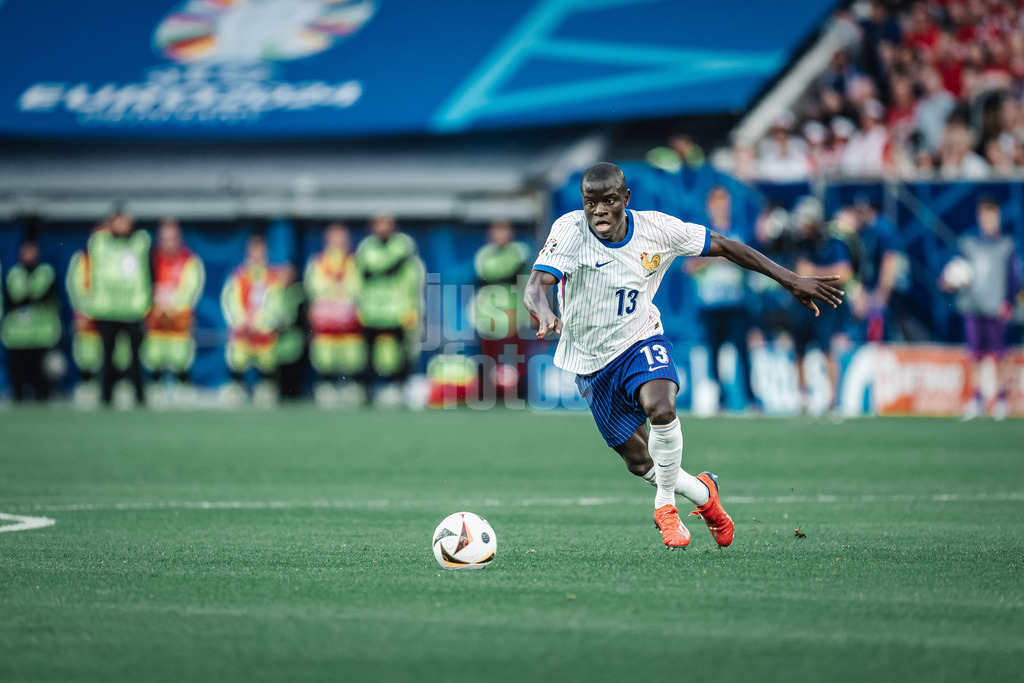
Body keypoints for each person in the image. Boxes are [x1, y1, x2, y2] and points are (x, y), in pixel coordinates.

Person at [524, 163, 844, 549]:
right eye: (590, 202)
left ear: (626, 199)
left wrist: (790, 279)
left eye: (609, 201)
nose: (599, 211)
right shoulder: (570, 230)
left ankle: (665, 510)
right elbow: (534, 286)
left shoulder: (658, 229)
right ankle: (705, 494)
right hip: (590, 361)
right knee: (641, 463)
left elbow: (726, 246)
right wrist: (543, 311)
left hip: (640, 338)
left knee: (661, 407)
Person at [940, 197, 1021, 420]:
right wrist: (949, 280)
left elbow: (1014, 278)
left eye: (992, 216)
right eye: (985, 216)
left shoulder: (1006, 245)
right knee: (974, 356)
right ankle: (976, 400)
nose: (988, 221)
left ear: (998, 217)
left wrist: (1009, 302)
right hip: (972, 306)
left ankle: (1001, 401)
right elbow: (954, 271)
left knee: (999, 356)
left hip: (996, 307)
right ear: (979, 217)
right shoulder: (969, 244)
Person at [686, 186, 755, 412]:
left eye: (724, 202)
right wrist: (717, 258)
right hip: (711, 303)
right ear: (709, 206)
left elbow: (751, 262)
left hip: (735, 302)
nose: (721, 206)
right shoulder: (701, 234)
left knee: (742, 352)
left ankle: (751, 399)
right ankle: (719, 400)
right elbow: (689, 265)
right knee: (714, 353)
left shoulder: (738, 232)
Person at [790, 196, 854, 413]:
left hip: (825, 306)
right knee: (798, 352)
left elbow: (844, 272)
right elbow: (799, 272)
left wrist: (814, 274)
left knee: (827, 350)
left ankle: (833, 400)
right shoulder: (801, 244)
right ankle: (803, 398)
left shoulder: (833, 242)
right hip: (802, 305)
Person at [354, 215, 424, 407]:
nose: (381, 228)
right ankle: (367, 389)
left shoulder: (403, 246)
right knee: (368, 352)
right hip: (372, 309)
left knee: (400, 351)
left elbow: (410, 277)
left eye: (385, 223)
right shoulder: (366, 247)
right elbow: (360, 277)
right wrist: (359, 304)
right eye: (378, 224)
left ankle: (398, 386)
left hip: (396, 309)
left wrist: (412, 306)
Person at [87, 211, 152, 408]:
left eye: (126, 222)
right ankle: (106, 396)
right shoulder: (100, 243)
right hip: (107, 310)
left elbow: (143, 241)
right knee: (107, 357)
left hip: (132, 310)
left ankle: (139, 397)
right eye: (119, 222)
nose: (123, 226)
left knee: (136, 357)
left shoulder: (139, 242)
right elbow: (96, 238)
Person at [220, 234, 291, 407]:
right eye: (254, 252)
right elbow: (230, 300)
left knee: (267, 358)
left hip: (263, 333)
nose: (257, 256)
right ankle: (237, 386)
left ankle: (266, 387)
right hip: (243, 332)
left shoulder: (273, 277)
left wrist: (261, 322)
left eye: (261, 252)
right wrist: (241, 320)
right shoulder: (239, 276)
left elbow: (276, 304)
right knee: (237, 356)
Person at [142, 218, 205, 405]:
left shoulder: (189, 260)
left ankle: (184, 390)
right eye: (165, 237)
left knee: (181, 360)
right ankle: (155, 389)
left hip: (179, 323)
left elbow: (192, 288)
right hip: (155, 322)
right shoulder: (150, 259)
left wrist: (172, 306)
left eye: (172, 237)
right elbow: (143, 286)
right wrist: (156, 305)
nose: (168, 241)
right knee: (154, 358)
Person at [304, 222, 363, 407]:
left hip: (349, 319)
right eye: (334, 237)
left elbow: (359, 289)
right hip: (326, 320)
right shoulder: (318, 262)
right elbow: (312, 289)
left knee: (352, 355)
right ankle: (326, 386)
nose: (338, 241)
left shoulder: (355, 262)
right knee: (325, 355)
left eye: (342, 237)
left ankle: (352, 386)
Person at [472, 220, 531, 399]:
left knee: (516, 358)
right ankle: (489, 393)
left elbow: (522, 281)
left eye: (504, 230)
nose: (500, 235)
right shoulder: (483, 255)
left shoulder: (519, 253)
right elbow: (483, 282)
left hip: (513, 313)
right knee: (489, 358)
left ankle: (518, 393)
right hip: (488, 315)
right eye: (496, 230)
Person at [2, 237, 61, 401]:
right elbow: (12, 299)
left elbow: (43, 296)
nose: (28, 255)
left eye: (31, 250)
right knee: (18, 381)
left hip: (41, 334)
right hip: (18, 335)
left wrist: (26, 297)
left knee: (42, 382)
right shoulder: (14, 273)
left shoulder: (46, 272)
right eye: (25, 251)